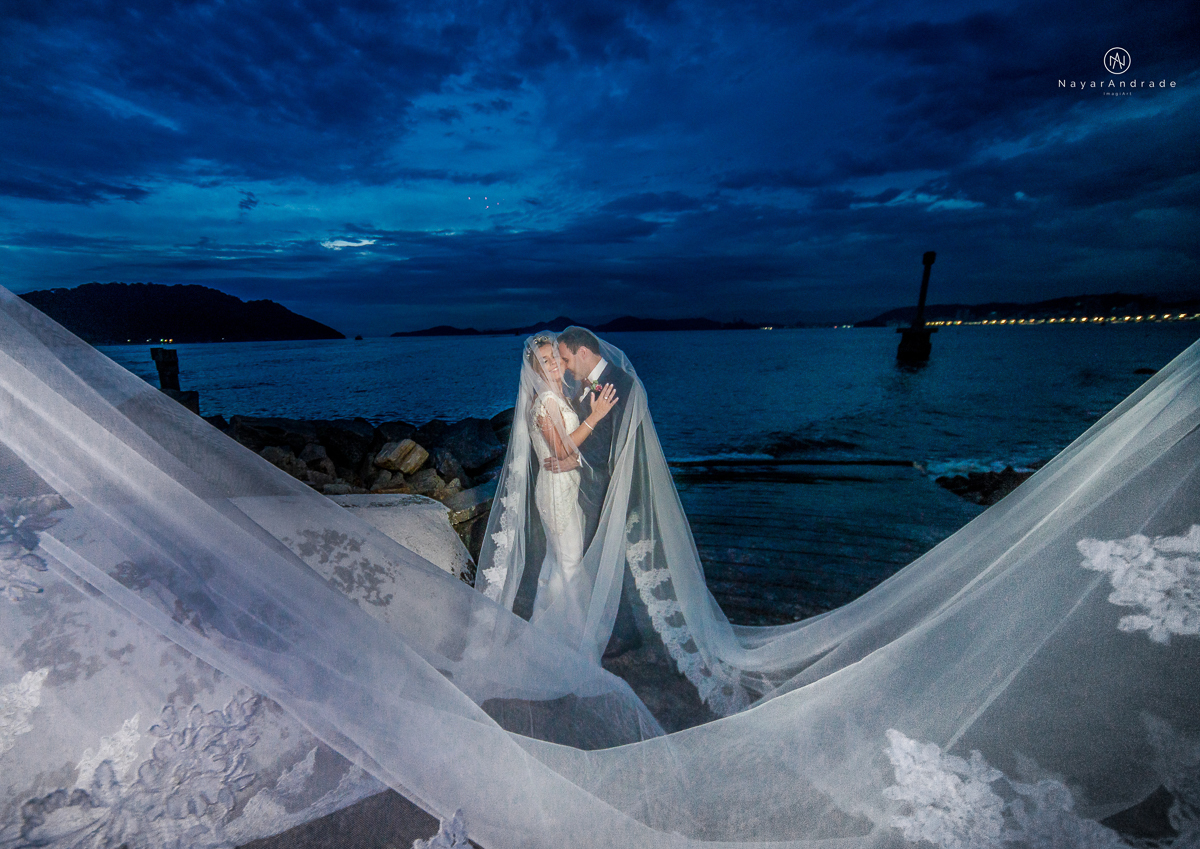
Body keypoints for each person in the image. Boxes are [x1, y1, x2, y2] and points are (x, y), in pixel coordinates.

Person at [523, 333, 618, 644]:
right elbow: (562, 451)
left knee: (557, 562)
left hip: (563, 489)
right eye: (546, 361)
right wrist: (596, 415)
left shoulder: (558, 397)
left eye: (556, 358)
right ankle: (573, 642)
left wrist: (576, 458)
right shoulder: (547, 401)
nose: (554, 365)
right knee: (570, 565)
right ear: (535, 369)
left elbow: (568, 452)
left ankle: (544, 633)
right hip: (555, 493)